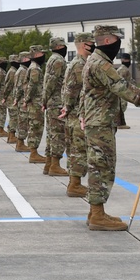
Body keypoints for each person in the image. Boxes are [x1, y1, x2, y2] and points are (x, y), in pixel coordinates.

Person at [82, 26, 140, 230]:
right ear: (107, 41)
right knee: (102, 167)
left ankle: (96, 212)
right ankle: (97, 215)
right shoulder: (101, 65)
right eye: (116, 39)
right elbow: (122, 87)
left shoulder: (93, 61)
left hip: (98, 121)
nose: (119, 43)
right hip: (100, 123)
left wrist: (82, 115)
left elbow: (84, 94)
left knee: (98, 165)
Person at [59, 32, 94, 198]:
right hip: (76, 114)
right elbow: (74, 90)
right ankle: (75, 185)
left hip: (72, 113)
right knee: (79, 151)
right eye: (90, 43)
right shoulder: (79, 65)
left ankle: (74, 183)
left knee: (74, 150)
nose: (93, 46)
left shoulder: (76, 63)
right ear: (83, 45)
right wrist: (68, 107)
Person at [41, 38, 69, 176]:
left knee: (51, 134)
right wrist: (45, 99)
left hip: (52, 101)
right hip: (57, 101)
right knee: (58, 135)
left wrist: (45, 100)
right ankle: (55, 165)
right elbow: (51, 82)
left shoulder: (51, 59)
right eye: (63, 45)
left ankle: (48, 163)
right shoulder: (58, 61)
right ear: (58, 46)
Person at [21, 45, 47, 163]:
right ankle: (34, 153)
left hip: (34, 101)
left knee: (34, 126)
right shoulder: (35, 68)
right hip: (35, 102)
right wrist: (27, 100)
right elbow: (32, 86)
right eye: (42, 53)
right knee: (36, 127)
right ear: (36, 54)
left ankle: (33, 152)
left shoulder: (32, 67)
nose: (44, 55)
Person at [116, 53, 132, 129]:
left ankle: (121, 122)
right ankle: (119, 123)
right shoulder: (123, 69)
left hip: (122, 91)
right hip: (122, 91)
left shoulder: (123, 68)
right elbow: (121, 82)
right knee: (122, 106)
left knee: (121, 107)